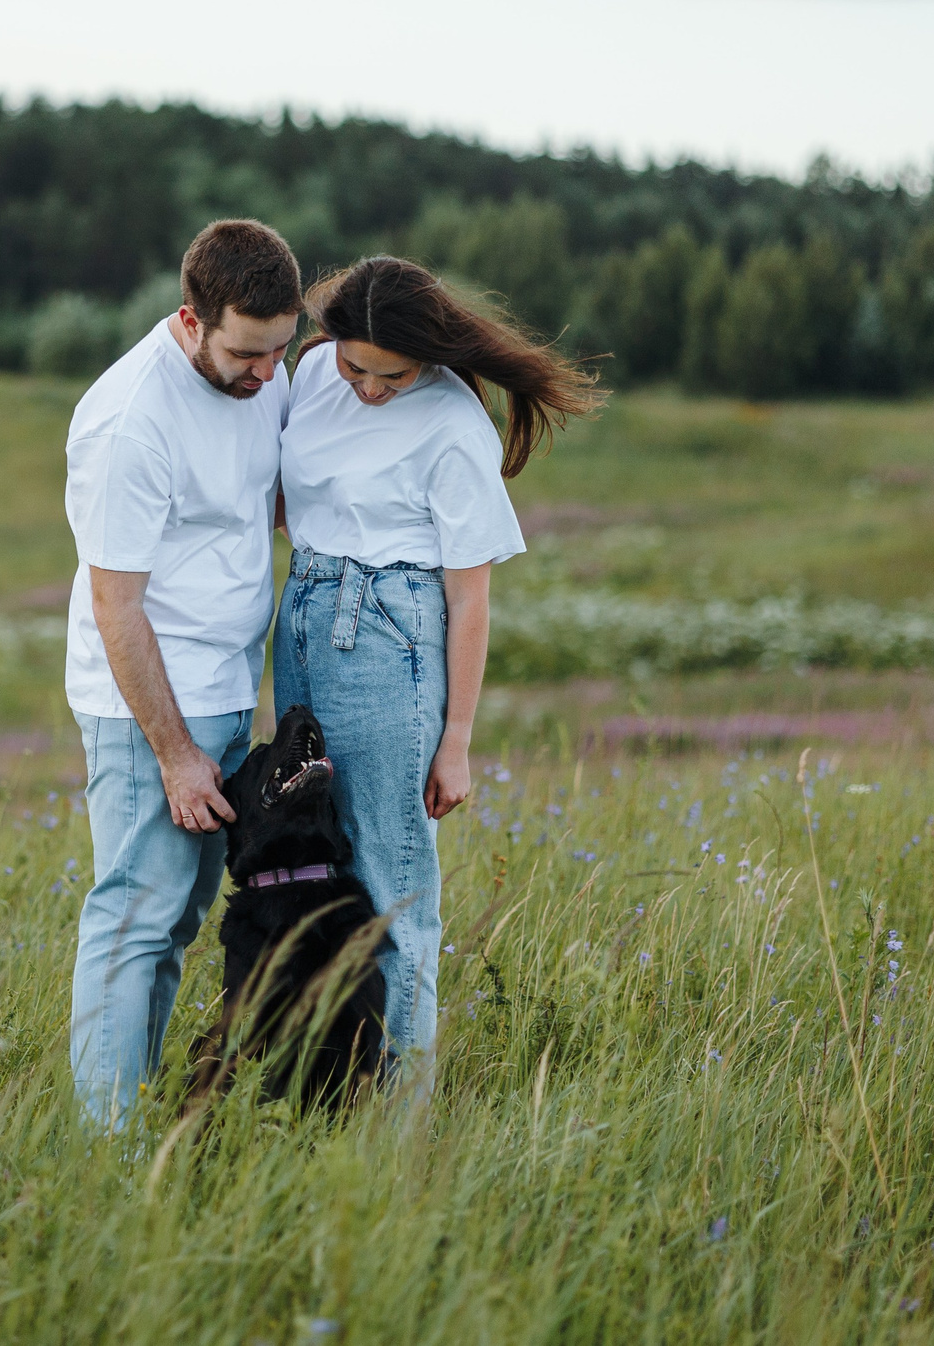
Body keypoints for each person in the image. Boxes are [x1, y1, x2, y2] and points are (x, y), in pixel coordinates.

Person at [274, 255, 599, 1068]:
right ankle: (325, 1080)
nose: (372, 388)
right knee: (313, 861)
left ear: (429, 356)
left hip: (392, 632)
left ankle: (398, 1121)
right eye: (358, 365)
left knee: (390, 882)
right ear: (331, 339)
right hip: (305, 612)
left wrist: (456, 739)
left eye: (396, 374)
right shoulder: (315, 372)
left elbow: (471, 598)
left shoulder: (456, 424)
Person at [64, 218, 302, 1128]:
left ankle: (140, 1107)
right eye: (248, 353)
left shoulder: (255, 378)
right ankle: (107, 1147)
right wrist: (173, 754)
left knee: (175, 921)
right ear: (191, 320)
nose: (266, 374)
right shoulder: (133, 419)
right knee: (133, 920)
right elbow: (115, 605)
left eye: (280, 351)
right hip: (148, 712)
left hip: (224, 694)